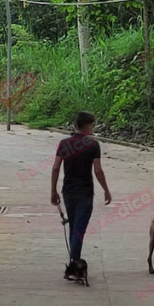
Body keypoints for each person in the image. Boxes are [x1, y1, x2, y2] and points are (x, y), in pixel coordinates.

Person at [50, 111, 112, 280]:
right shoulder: (93, 145)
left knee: (74, 228)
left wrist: (53, 191)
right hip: (85, 192)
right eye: (92, 125)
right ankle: (74, 264)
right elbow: (98, 170)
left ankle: (73, 262)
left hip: (68, 191)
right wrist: (106, 189)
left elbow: (55, 168)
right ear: (87, 125)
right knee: (79, 229)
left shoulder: (64, 143)